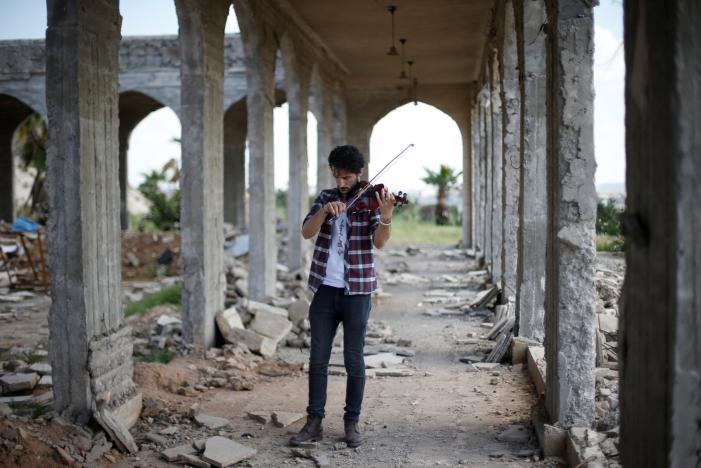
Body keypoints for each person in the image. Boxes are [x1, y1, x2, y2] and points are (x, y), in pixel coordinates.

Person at [289, 145, 395, 448]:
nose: (342, 183)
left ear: (359, 174)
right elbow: (307, 233)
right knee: (318, 359)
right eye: (338, 177)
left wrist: (386, 216)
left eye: (347, 178)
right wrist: (324, 212)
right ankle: (314, 423)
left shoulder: (372, 200)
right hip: (324, 289)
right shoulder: (325, 197)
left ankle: (352, 423)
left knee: (354, 360)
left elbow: (379, 243)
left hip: (358, 291)